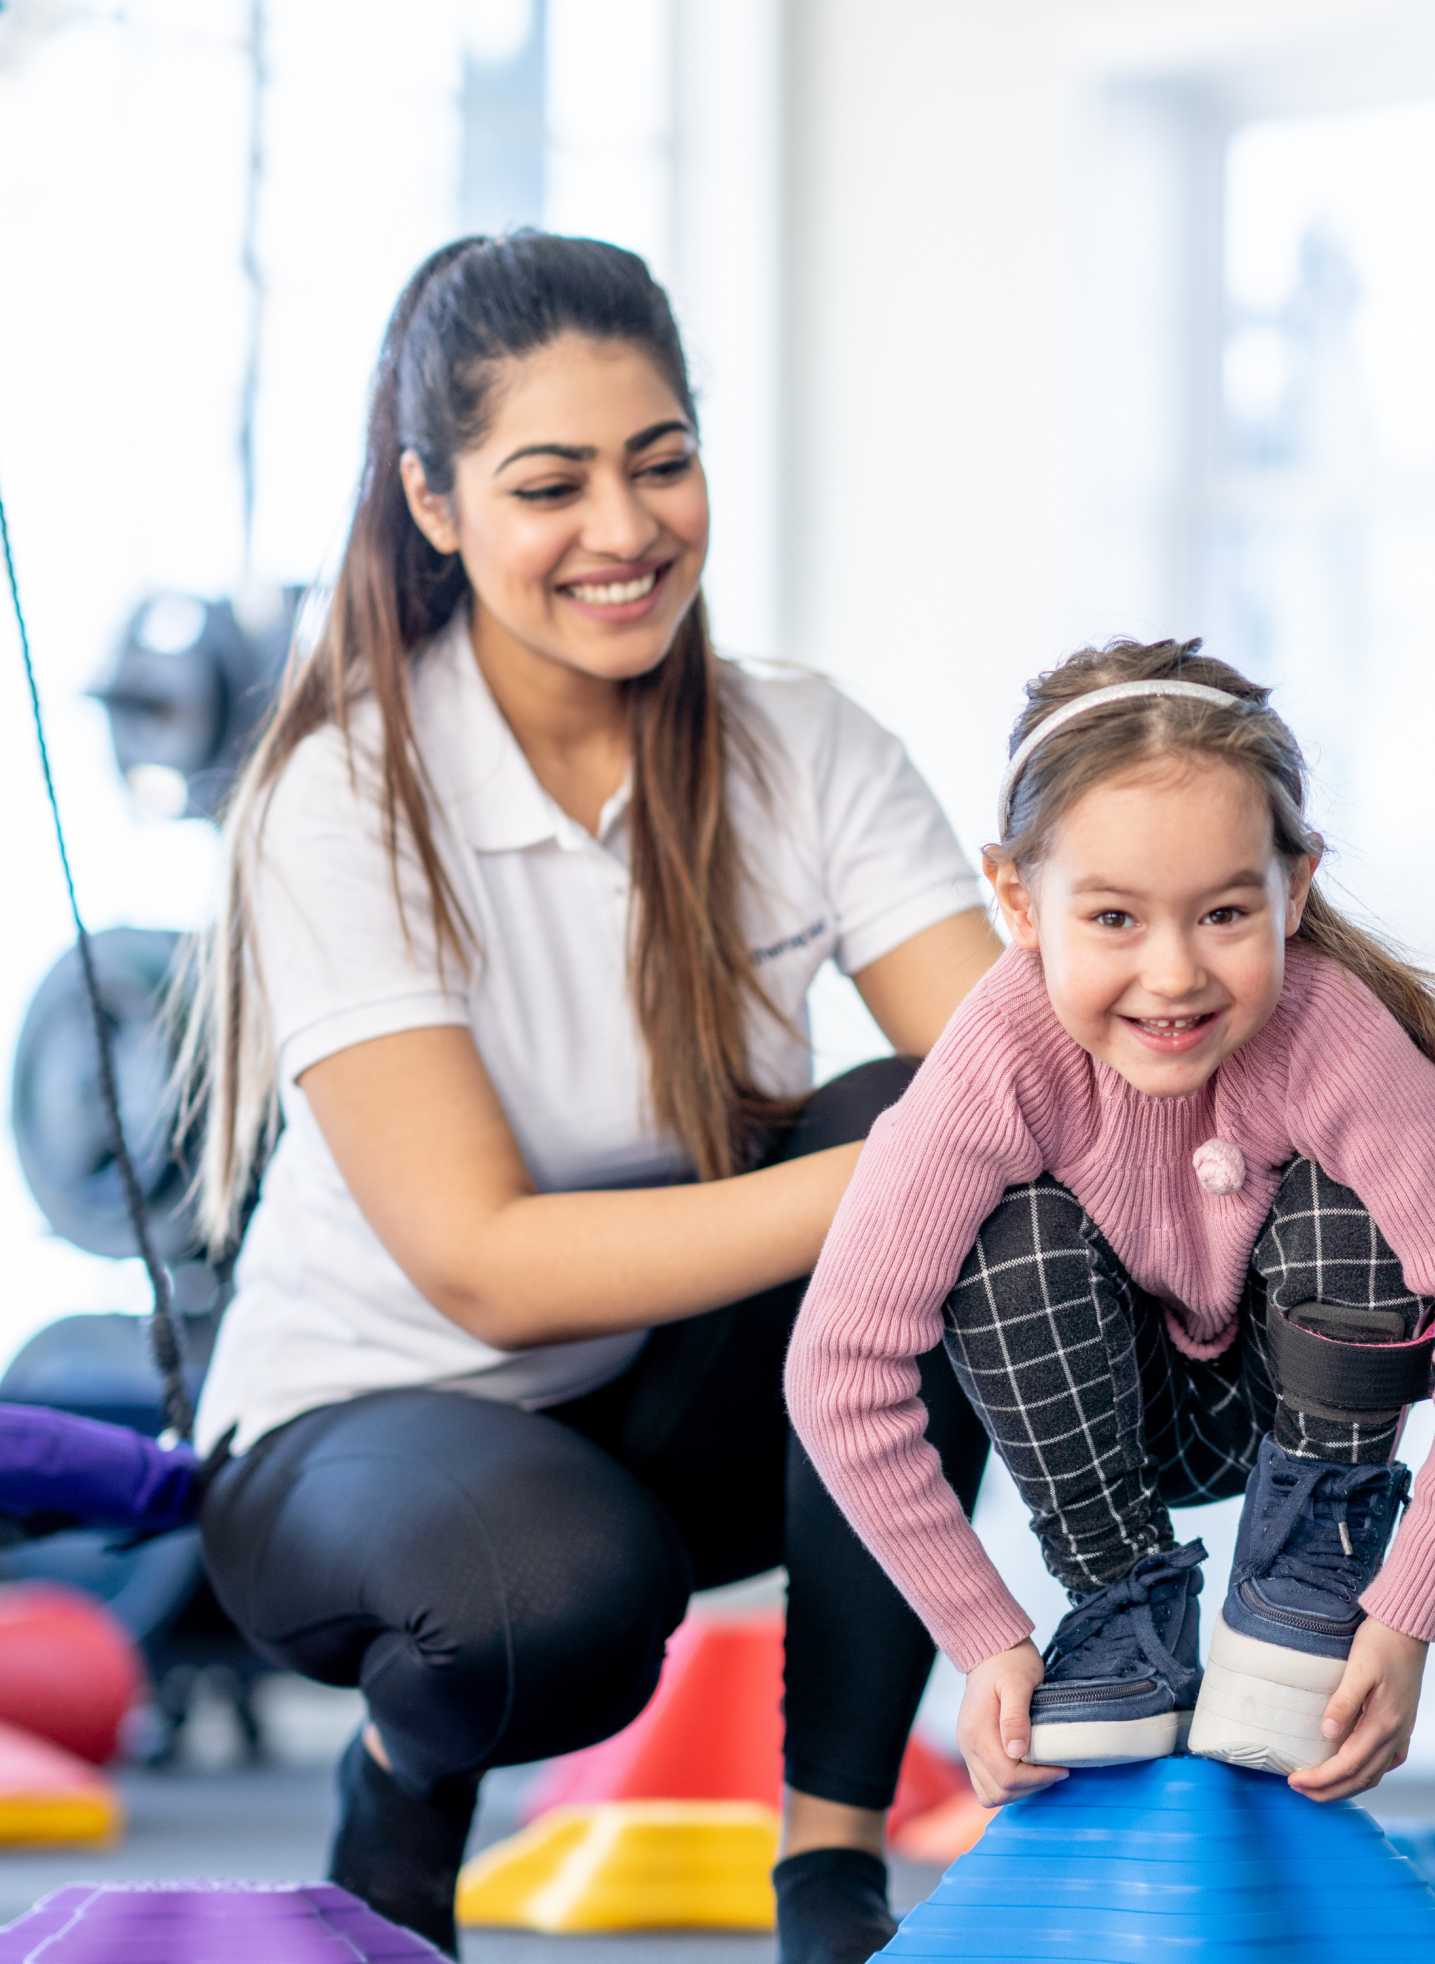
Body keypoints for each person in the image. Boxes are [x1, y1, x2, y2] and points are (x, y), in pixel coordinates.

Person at [178, 232, 1000, 1960]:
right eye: (551, 486)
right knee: (556, 1599)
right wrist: (915, 1174)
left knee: (935, 1128)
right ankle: (403, 1783)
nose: (624, 530)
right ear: (435, 500)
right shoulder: (342, 794)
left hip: (668, 1412)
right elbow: (482, 1265)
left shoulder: (805, 744)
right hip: (364, 1427)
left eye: (660, 462)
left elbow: (1015, 1077)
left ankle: (832, 1872)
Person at [786, 639, 1435, 1813]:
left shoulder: (1330, 1033)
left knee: (1349, 1190)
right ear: (1017, 900)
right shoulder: (998, 1057)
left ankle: (1305, 1582)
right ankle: (1121, 1597)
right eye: (1114, 916)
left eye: (1224, 912)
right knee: (1005, 1223)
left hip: (1300, 1403)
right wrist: (985, 1635)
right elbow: (839, 1369)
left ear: (1294, 888)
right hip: (1096, 1417)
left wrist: (1405, 1612)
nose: (1172, 974)